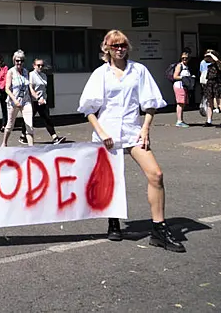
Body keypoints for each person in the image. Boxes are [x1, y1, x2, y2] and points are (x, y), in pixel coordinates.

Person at [78, 29, 185, 252]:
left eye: (123, 45)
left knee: (156, 174)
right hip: (107, 134)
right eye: (115, 46)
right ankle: (113, 221)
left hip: (133, 132)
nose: (120, 49)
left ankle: (158, 229)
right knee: (112, 180)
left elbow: (150, 103)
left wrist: (145, 129)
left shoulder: (139, 71)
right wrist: (102, 132)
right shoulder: (101, 74)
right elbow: (89, 109)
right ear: (106, 48)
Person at [28, 59, 66, 144]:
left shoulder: (44, 75)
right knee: (29, 119)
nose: (40, 67)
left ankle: (55, 137)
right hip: (34, 101)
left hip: (43, 101)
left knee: (47, 119)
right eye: (38, 65)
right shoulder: (31, 75)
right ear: (34, 66)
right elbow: (31, 88)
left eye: (42, 65)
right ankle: (23, 135)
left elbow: (44, 89)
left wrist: (44, 99)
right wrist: (37, 98)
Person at [1, 50, 34, 147]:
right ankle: (4, 143)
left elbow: (29, 86)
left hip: (26, 101)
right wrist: (14, 100)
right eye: (17, 61)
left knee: (29, 125)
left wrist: (35, 96)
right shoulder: (11, 72)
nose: (19, 63)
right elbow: (7, 88)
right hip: (13, 102)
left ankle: (31, 147)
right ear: (14, 60)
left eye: (21, 61)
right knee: (10, 125)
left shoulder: (25, 72)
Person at [173, 51, 192, 128]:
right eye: (183, 58)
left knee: (183, 103)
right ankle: (179, 121)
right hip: (179, 86)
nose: (185, 59)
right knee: (180, 103)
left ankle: (181, 119)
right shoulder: (179, 66)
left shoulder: (186, 66)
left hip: (184, 86)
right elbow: (175, 76)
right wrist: (184, 78)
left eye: (186, 58)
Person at [203, 50, 221, 127]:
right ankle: (209, 121)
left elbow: (217, 60)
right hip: (210, 83)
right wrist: (207, 55)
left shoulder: (218, 64)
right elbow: (205, 59)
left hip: (217, 83)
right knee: (209, 103)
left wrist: (211, 54)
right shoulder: (209, 66)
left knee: (219, 102)